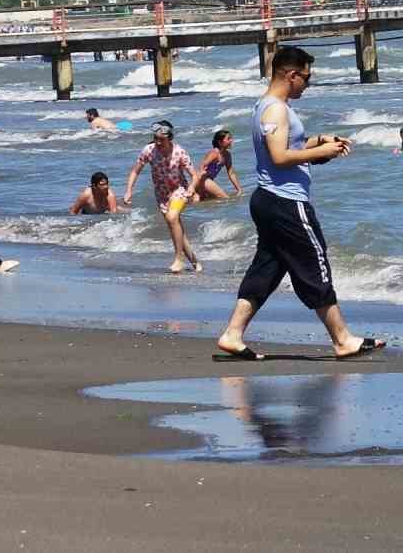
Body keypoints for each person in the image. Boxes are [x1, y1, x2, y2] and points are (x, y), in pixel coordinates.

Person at [215, 46, 382, 362]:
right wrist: (320, 154)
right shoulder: (276, 109)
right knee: (314, 262)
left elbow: (286, 147)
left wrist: (319, 142)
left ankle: (232, 334)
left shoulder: (265, 106)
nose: (308, 83)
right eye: (306, 77)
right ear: (291, 75)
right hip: (285, 201)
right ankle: (343, 339)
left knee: (268, 268)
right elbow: (279, 158)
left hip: (270, 200)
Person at [121, 120, 201, 273]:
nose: (157, 142)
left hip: (179, 191)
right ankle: (195, 262)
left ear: (169, 138)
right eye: (155, 138)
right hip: (162, 194)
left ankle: (179, 259)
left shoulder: (179, 152)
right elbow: (135, 171)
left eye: (161, 139)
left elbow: (194, 175)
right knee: (175, 227)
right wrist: (129, 190)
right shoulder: (148, 150)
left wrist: (191, 188)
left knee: (172, 218)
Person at [192, 130, 243, 200]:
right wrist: (201, 187)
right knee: (225, 198)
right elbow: (202, 166)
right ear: (220, 142)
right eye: (228, 139)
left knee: (200, 201)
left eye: (231, 138)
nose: (231, 140)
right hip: (202, 180)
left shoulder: (227, 155)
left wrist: (239, 189)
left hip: (207, 181)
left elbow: (231, 173)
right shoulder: (215, 152)